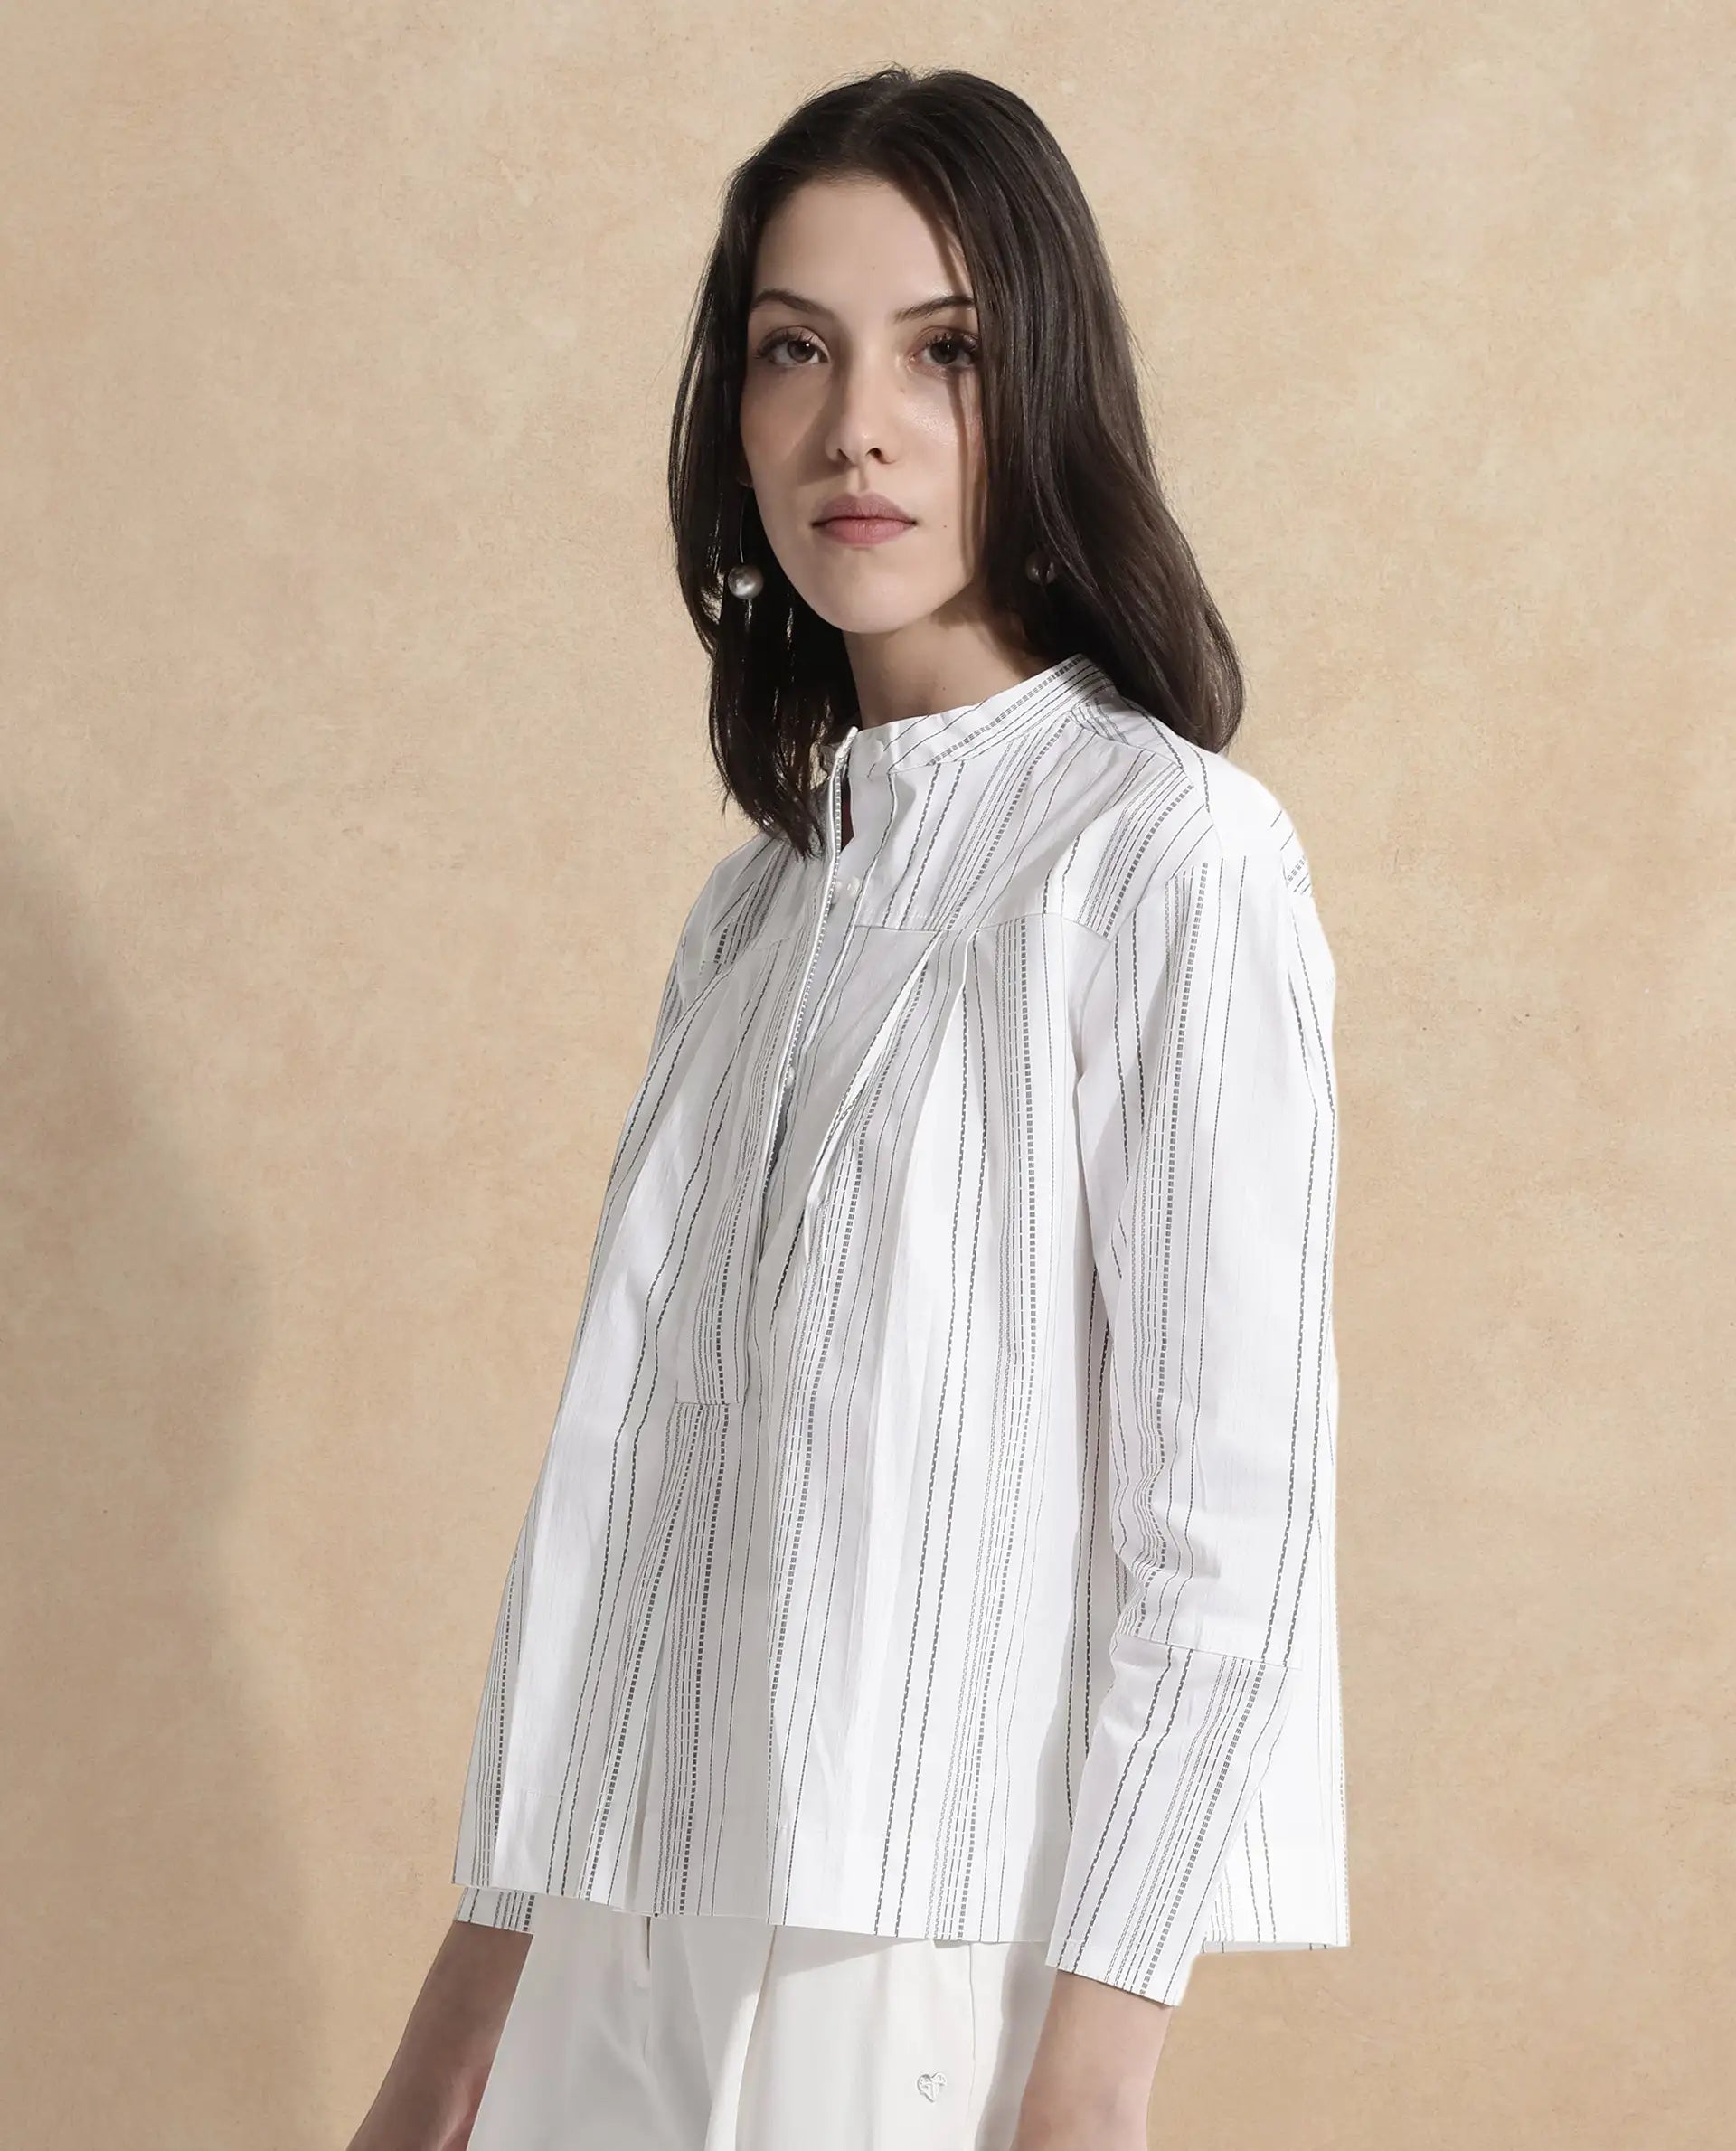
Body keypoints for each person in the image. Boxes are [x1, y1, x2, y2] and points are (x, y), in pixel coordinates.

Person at [349, 62, 1346, 2151]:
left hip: (922, 1961)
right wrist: (469, 1995)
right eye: (794, 349)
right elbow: (628, 1504)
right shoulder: (755, 914)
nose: (854, 428)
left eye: (942, 352)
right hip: (617, 1936)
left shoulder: (1168, 858)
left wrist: (1096, 2067)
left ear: (1044, 387)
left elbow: (1224, 1536)